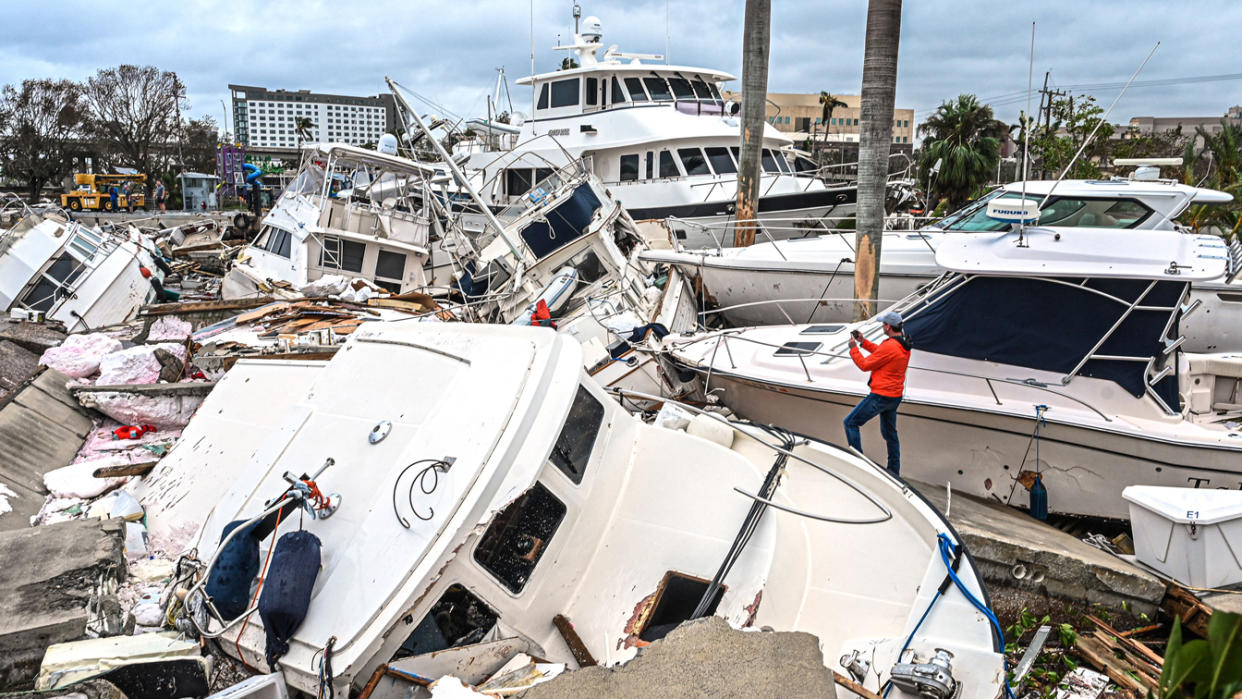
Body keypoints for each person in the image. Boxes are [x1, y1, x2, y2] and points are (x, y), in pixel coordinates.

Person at [844, 309, 912, 476]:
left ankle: (859, 463)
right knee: (890, 434)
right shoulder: (902, 344)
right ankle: (894, 470)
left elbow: (865, 365)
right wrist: (863, 342)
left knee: (850, 423)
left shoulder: (890, 346)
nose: (882, 326)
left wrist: (853, 348)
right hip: (894, 397)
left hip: (881, 396)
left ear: (888, 326)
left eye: (883, 324)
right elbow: (881, 354)